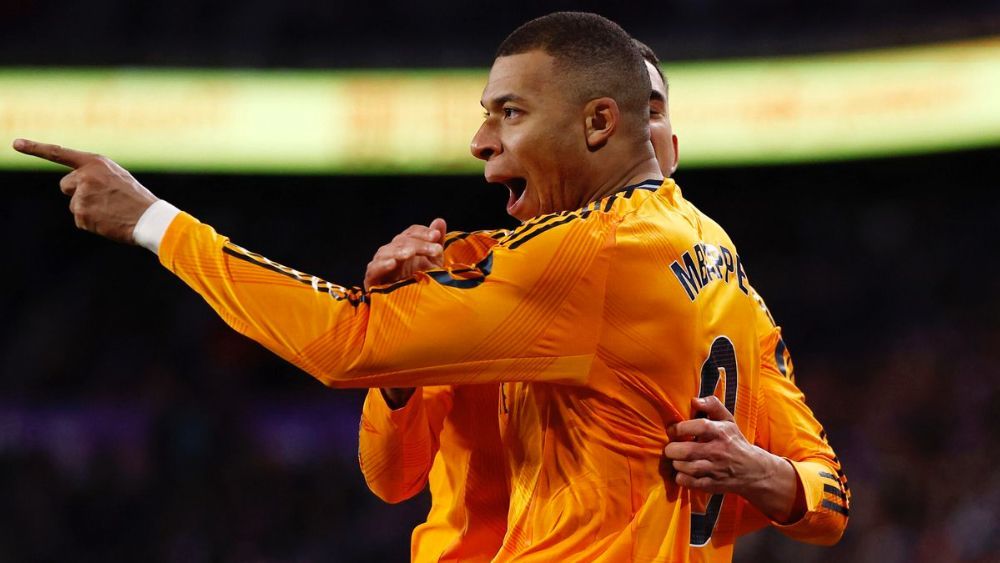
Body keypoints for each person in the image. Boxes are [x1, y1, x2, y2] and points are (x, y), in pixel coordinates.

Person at [14, 12, 841, 561]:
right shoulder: (713, 261)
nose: (480, 139)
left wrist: (154, 221)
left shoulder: (584, 259)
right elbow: (394, 477)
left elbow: (342, 345)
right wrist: (403, 362)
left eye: (509, 113)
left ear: (607, 122)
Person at [355, 40, 849, 561]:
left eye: (651, 109)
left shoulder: (732, 299)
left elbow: (829, 501)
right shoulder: (466, 276)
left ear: (671, 150)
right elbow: (391, 477)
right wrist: (396, 352)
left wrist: (755, 468)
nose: (635, 126)